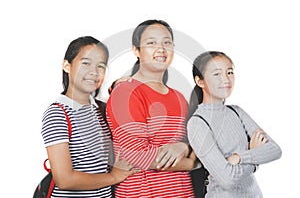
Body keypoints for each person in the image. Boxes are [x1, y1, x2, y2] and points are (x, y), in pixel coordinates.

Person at [106, 19, 196, 197]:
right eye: (151, 42)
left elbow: (194, 142)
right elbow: (138, 156)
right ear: (136, 50)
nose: (161, 49)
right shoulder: (125, 93)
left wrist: (184, 147)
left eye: (167, 42)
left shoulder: (179, 98)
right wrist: (192, 163)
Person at [40, 36, 136, 197]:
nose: (94, 72)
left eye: (101, 66)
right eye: (86, 63)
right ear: (67, 66)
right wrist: (114, 176)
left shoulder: (100, 110)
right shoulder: (57, 114)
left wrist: (119, 90)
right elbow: (64, 180)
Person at [187, 51, 282, 197]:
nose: (226, 79)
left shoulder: (236, 112)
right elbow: (227, 179)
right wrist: (254, 156)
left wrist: (240, 157)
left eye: (229, 72)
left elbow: (275, 150)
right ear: (200, 81)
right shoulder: (198, 123)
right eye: (217, 74)